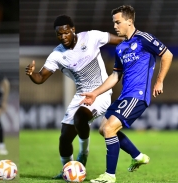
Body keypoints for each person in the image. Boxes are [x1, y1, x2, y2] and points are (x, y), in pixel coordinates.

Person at [80, 5, 172, 183]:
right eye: (114, 22)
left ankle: (109, 175)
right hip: (124, 96)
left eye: (118, 22)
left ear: (129, 21)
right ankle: (138, 157)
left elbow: (167, 54)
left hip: (137, 95)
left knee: (109, 129)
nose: (115, 26)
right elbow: (115, 75)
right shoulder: (121, 48)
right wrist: (95, 93)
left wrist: (159, 80)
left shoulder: (144, 39)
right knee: (103, 129)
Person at [25, 15, 124, 179]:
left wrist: (130, 54)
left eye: (66, 33)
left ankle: (83, 152)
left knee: (80, 117)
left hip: (101, 92)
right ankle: (68, 171)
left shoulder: (91, 37)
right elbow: (40, 78)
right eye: (59, 34)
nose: (63, 37)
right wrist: (31, 74)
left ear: (73, 29)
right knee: (64, 139)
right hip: (81, 94)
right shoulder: (57, 54)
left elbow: (119, 40)